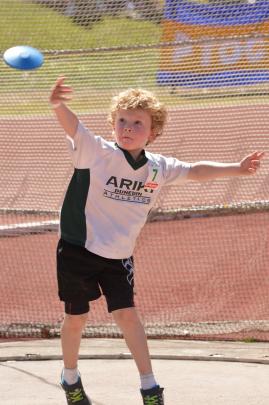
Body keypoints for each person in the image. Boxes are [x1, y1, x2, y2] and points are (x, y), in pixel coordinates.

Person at [50, 76, 264, 405]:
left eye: (138, 123)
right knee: (76, 318)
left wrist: (237, 168)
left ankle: (150, 387)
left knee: (128, 315)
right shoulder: (97, 153)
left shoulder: (157, 167)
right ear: (113, 124)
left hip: (119, 256)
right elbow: (73, 126)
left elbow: (195, 171)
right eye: (122, 120)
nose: (128, 127)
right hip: (78, 249)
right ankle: (70, 377)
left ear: (153, 132)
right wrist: (57, 104)